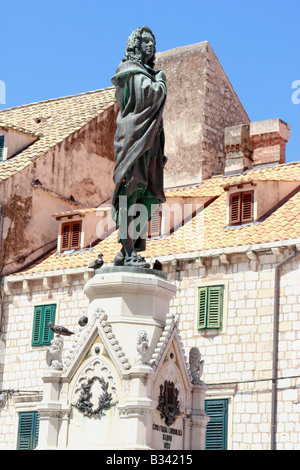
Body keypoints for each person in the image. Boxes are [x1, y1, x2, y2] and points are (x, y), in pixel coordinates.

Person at [111, 26, 167, 267]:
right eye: (145, 41)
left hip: (150, 140)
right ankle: (128, 249)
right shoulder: (130, 71)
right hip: (133, 138)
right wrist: (161, 85)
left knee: (147, 193)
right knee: (130, 192)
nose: (150, 45)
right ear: (135, 45)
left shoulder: (147, 72)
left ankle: (128, 248)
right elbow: (147, 95)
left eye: (152, 42)